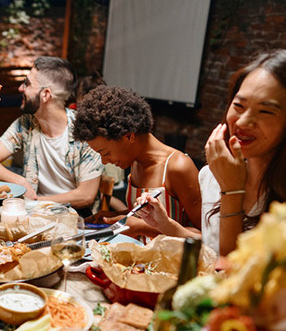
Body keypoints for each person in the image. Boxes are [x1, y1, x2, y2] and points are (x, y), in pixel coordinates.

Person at [136, 49, 286, 266]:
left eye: (265, 111)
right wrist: (166, 225)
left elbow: (237, 274)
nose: (242, 122)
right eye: (239, 106)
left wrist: (232, 191)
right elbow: (212, 251)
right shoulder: (211, 176)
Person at [73, 85, 201, 241]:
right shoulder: (134, 162)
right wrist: (115, 216)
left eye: (106, 153)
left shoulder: (177, 167)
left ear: (129, 137)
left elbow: (204, 235)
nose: (104, 161)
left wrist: (142, 228)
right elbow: (148, 212)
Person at [0, 56, 103, 214]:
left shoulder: (85, 131)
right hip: (34, 216)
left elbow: (86, 195)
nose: (21, 89)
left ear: (46, 94)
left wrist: (34, 202)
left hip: (76, 219)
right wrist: (19, 181)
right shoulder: (26, 123)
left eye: (27, 83)